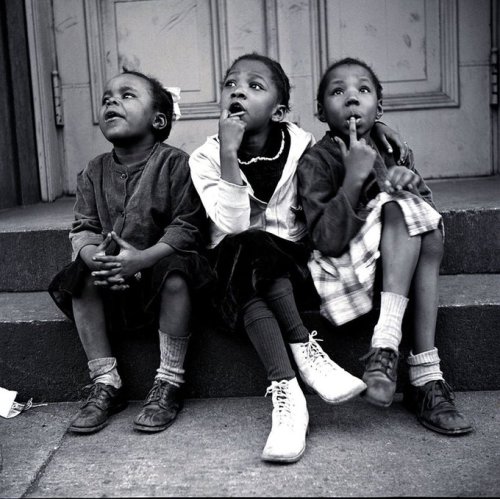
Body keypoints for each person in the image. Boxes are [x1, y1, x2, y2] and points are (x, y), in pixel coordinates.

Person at [189, 53, 409, 463]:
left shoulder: (302, 145)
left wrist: (378, 125)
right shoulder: (203, 158)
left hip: (291, 267)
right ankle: (294, 373)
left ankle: (291, 381)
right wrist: (228, 157)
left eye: (255, 86)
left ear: (281, 110)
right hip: (230, 268)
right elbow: (233, 226)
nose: (238, 90)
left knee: (256, 254)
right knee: (244, 247)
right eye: (231, 84)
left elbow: (347, 126)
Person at [297, 57, 473, 436]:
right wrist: (354, 178)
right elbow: (326, 239)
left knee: (421, 220)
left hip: (396, 262)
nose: (351, 99)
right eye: (337, 91)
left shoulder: (389, 148)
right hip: (343, 269)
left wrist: (410, 181)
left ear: (380, 107)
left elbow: (429, 217)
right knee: (399, 209)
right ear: (320, 110)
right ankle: (406, 359)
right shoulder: (317, 160)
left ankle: (412, 369)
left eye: (363, 90)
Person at [48, 70, 213, 435]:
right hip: (113, 288)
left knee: (177, 270)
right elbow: (83, 227)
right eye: (107, 97)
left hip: (160, 283)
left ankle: (169, 380)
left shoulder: (176, 164)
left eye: (126, 96)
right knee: (78, 273)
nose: (111, 101)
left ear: (158, 119)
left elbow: (187, 226)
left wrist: (142, 258)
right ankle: (106, 381)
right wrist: (94, 256)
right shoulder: (93, 171)